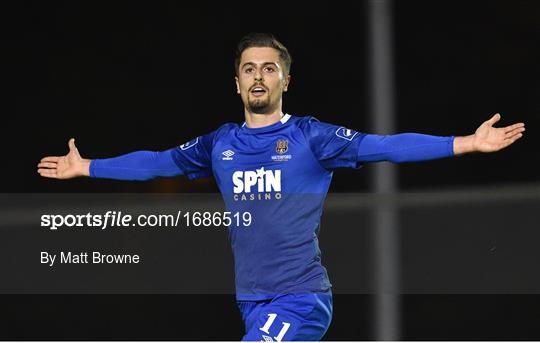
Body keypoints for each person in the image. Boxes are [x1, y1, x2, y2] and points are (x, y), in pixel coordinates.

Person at [38, 33, 525, 341]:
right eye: (249, 68)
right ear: (236, 83)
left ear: (285, 80)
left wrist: (465, 143)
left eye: (269, 68)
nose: (258, 76)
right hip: (251, 300)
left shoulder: (310, 136)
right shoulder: (219, 143)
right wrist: (90, 168)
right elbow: (158, 162)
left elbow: (384, 146)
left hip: (301, 297)